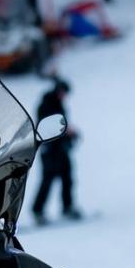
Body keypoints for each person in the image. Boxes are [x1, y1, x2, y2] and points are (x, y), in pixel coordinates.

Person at [31, 79, 82, 224]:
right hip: (50, 149)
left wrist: (69, 134)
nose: (64, 96)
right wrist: (66, 132)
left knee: (67, 177)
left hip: (61, 148)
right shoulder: (46, 104)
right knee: (47, 180)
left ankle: (67, 207)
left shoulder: (58, 104)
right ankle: (37, 211)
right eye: (63, 93)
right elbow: (47, 127)